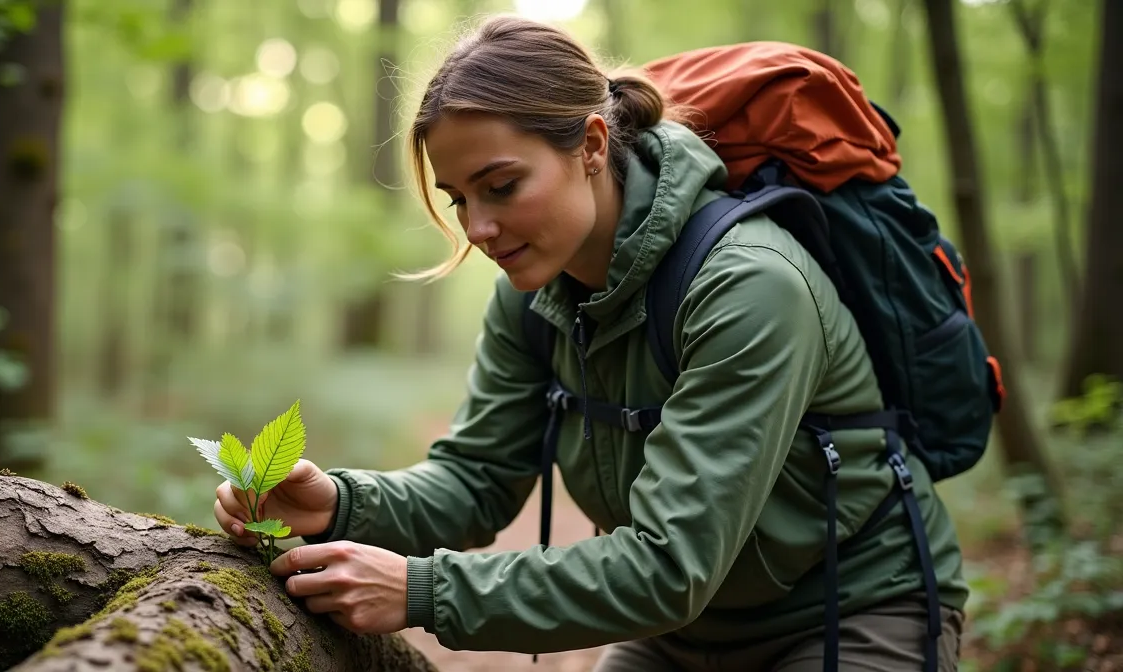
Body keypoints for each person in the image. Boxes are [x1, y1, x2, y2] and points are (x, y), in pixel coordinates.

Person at [213, 14, 971, 671]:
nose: (478, 229)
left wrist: (422, 591)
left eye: (501, 186)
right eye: (460, 199)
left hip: (852, 609)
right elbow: (476, 480)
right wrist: (341, 504)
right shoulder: (534, 296)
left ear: (593, 144)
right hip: (680, 631)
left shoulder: (749, 286)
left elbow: (669, 565)